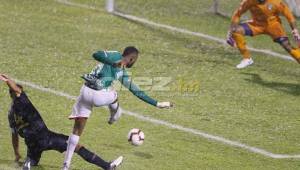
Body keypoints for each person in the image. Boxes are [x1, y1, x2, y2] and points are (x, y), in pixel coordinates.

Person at [63, 46, 173, 170]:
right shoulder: (115, 56)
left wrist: (157, 103)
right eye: (135, 59)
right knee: (114, 93)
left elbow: (136, 91)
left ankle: (66, 166)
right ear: (131, 59)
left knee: (76, 131)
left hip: (85, 92)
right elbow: (96, 54)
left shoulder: (122, 72)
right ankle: (115, 114)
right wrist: (112, 62)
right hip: (98, 95)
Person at [0, 74, 123, 170]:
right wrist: (7, 80)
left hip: (31, 144)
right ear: (16, 92)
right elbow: (16, 89)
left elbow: (14, 135)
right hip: (45, 137)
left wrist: (16, 153)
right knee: (75, 146)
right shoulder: (23, 101)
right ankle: (107, 166)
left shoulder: (11, 114)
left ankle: (28, 162)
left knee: (33, 159)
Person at [227, 0, 300, 69]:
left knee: (287, 47)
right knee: (236, 30)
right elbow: (237, 14)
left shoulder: (276, 2)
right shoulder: (248, 1)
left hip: (273, 26)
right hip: (257, 25)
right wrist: (230, 32)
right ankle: (247, 59)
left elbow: (289, 15)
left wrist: (294, 29)